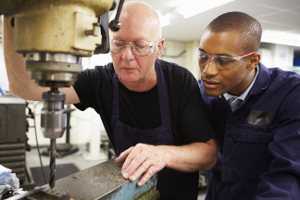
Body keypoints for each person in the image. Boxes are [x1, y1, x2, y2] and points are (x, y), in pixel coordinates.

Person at [4, 2, 217, 199]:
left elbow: (208, 154)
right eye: (119, 44)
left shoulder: (179, 82)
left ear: (160, 48)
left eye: (140, 45)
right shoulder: (100, 80)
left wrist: (162, 153)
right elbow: (26, 89)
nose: (126, 56)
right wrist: (11, 15)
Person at [198, 11, 300, 200]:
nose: (207, 71)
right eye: (203, 56)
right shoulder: (205, 94)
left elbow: (287, 174)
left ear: (252, 61)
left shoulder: (290, 94)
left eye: (223, 60)